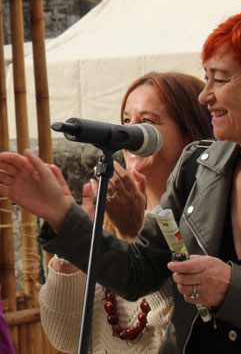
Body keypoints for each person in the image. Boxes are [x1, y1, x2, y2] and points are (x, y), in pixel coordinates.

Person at [0, 5, 241, 353]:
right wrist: (60, 213)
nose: (205, 95)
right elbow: (137, 272)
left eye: (220, 78)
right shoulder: (198, 165)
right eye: (206, 77)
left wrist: (233, 288)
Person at [38, 72, 212, 354]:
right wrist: (72, 241)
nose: (132, 134)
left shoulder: (206, 221)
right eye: (127, 122)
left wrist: (133, 232)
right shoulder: (107, 216)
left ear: (191, 135)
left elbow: (180, 325)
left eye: (148, 123)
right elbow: (65, 336)